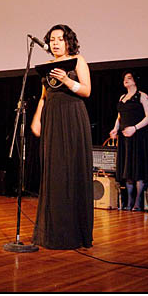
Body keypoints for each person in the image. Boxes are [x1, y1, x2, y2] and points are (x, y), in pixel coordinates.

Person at [30, 24, 94, 249]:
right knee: (53, 171)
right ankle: (51, 232)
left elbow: (86, 91)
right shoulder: (47, 67)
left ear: (69, 41)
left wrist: (67, 80)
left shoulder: (78, 61)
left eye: (61, 39)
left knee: (70, 169)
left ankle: (73, 233)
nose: (56, 42)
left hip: (72, 117)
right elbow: (44, 96)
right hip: (52, 118)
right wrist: (37, 119)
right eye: (53, 39)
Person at [109, 71, 148, 211]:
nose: (126, 80)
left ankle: (138, 202)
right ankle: (129, 201)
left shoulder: (142, 96)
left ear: (135, 80)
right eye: (124, 78)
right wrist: (115, 129)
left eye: (129, 78)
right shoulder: (122, 97)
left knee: (137, 168)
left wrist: (134, 128)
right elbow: (119, 117)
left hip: (137, 137)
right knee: (127, 169)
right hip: (124, 138)